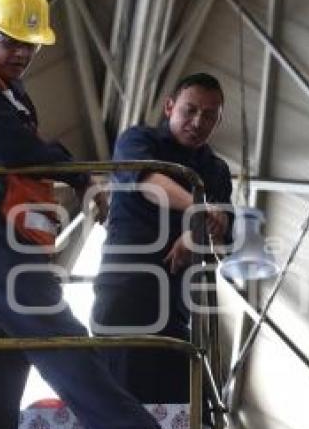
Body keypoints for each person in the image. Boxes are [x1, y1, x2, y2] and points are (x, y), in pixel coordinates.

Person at [0, 0, 215, 429]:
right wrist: (80, 172)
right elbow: (10, 147)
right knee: (59, 335)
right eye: (11, 40)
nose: (21, 53)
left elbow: (20, 145)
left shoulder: (8, 94)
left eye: (30, 45)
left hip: (8, 237)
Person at [92, 73, 232, 409]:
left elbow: (225, 233)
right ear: (170, 107)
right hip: (126, 296)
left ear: (219, 120)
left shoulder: (216, 170)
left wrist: (197, 233)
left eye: (209, 115)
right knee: (122, 399)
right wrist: (200, 208)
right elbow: (149, 181)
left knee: (184, 410)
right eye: (190, 110)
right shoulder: (137, 140)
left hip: (175, 308)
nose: (198, 122)